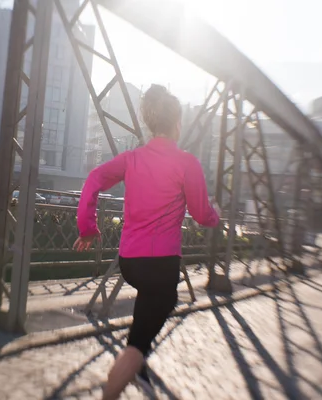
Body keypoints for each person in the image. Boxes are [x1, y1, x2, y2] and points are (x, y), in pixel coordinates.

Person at [73, 84, 220, 400]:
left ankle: (138, 369)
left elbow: (93, 180)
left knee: (147, 305)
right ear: (177, 124)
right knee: (158, 309)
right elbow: (200, 212)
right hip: (161, 264)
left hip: (130, 262)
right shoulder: (187, 163)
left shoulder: (131, 159)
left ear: (152, 123)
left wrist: (87, 227)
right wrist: (215, 217)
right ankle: (123, 375)